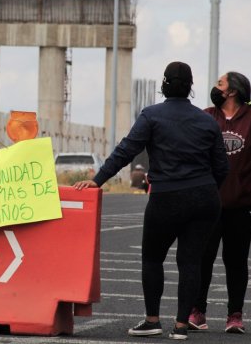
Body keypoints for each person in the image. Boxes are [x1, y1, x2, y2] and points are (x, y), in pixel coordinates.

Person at [73, 61, 229, 340]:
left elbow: (125, 151)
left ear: (164, 84)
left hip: (167, 196)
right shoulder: (208, 121)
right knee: (191, 261)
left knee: (153, 258)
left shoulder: (152, 115)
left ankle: (152, 320)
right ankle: (182, 326)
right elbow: (221, 168)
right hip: (204, 196)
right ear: (191, 87)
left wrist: (98, 180)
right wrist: (204, 188)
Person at [189, 72, 251, 334]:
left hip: (244, 204)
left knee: (236, 260)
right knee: (203, 258)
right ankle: (197, 312)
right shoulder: (207, 115)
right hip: (209, 204)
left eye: (220, 84)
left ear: (233, 91)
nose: (215, 88)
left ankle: (235, 315)